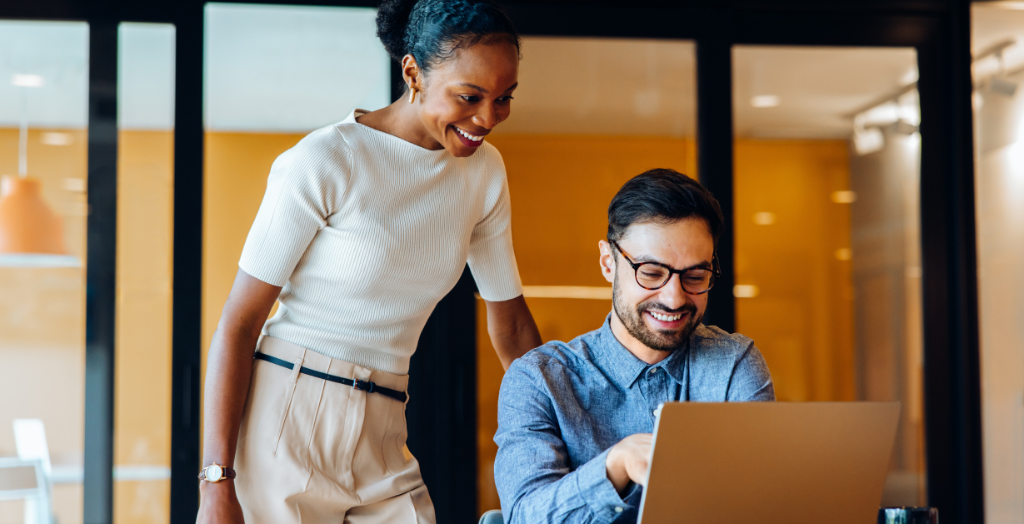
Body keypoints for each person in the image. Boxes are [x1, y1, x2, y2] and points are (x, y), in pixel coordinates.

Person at [195, 1, 542, 522]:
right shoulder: (325, 160)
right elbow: (239, 323)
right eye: (470, 97)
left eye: (504, 99)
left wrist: (562, 432)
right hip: (287, 415)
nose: (488, 118)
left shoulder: (484, 173)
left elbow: (512, 328)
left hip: (386, 420)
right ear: (412, 73)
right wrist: (216, 483)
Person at [493, 169, 775, 524]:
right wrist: (616, 465)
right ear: (608, 263)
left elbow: (761, 504)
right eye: (652, 273)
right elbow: (524, 517)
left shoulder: (733, 363)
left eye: (694, 277)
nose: (674, 299)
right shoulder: (539, 380)